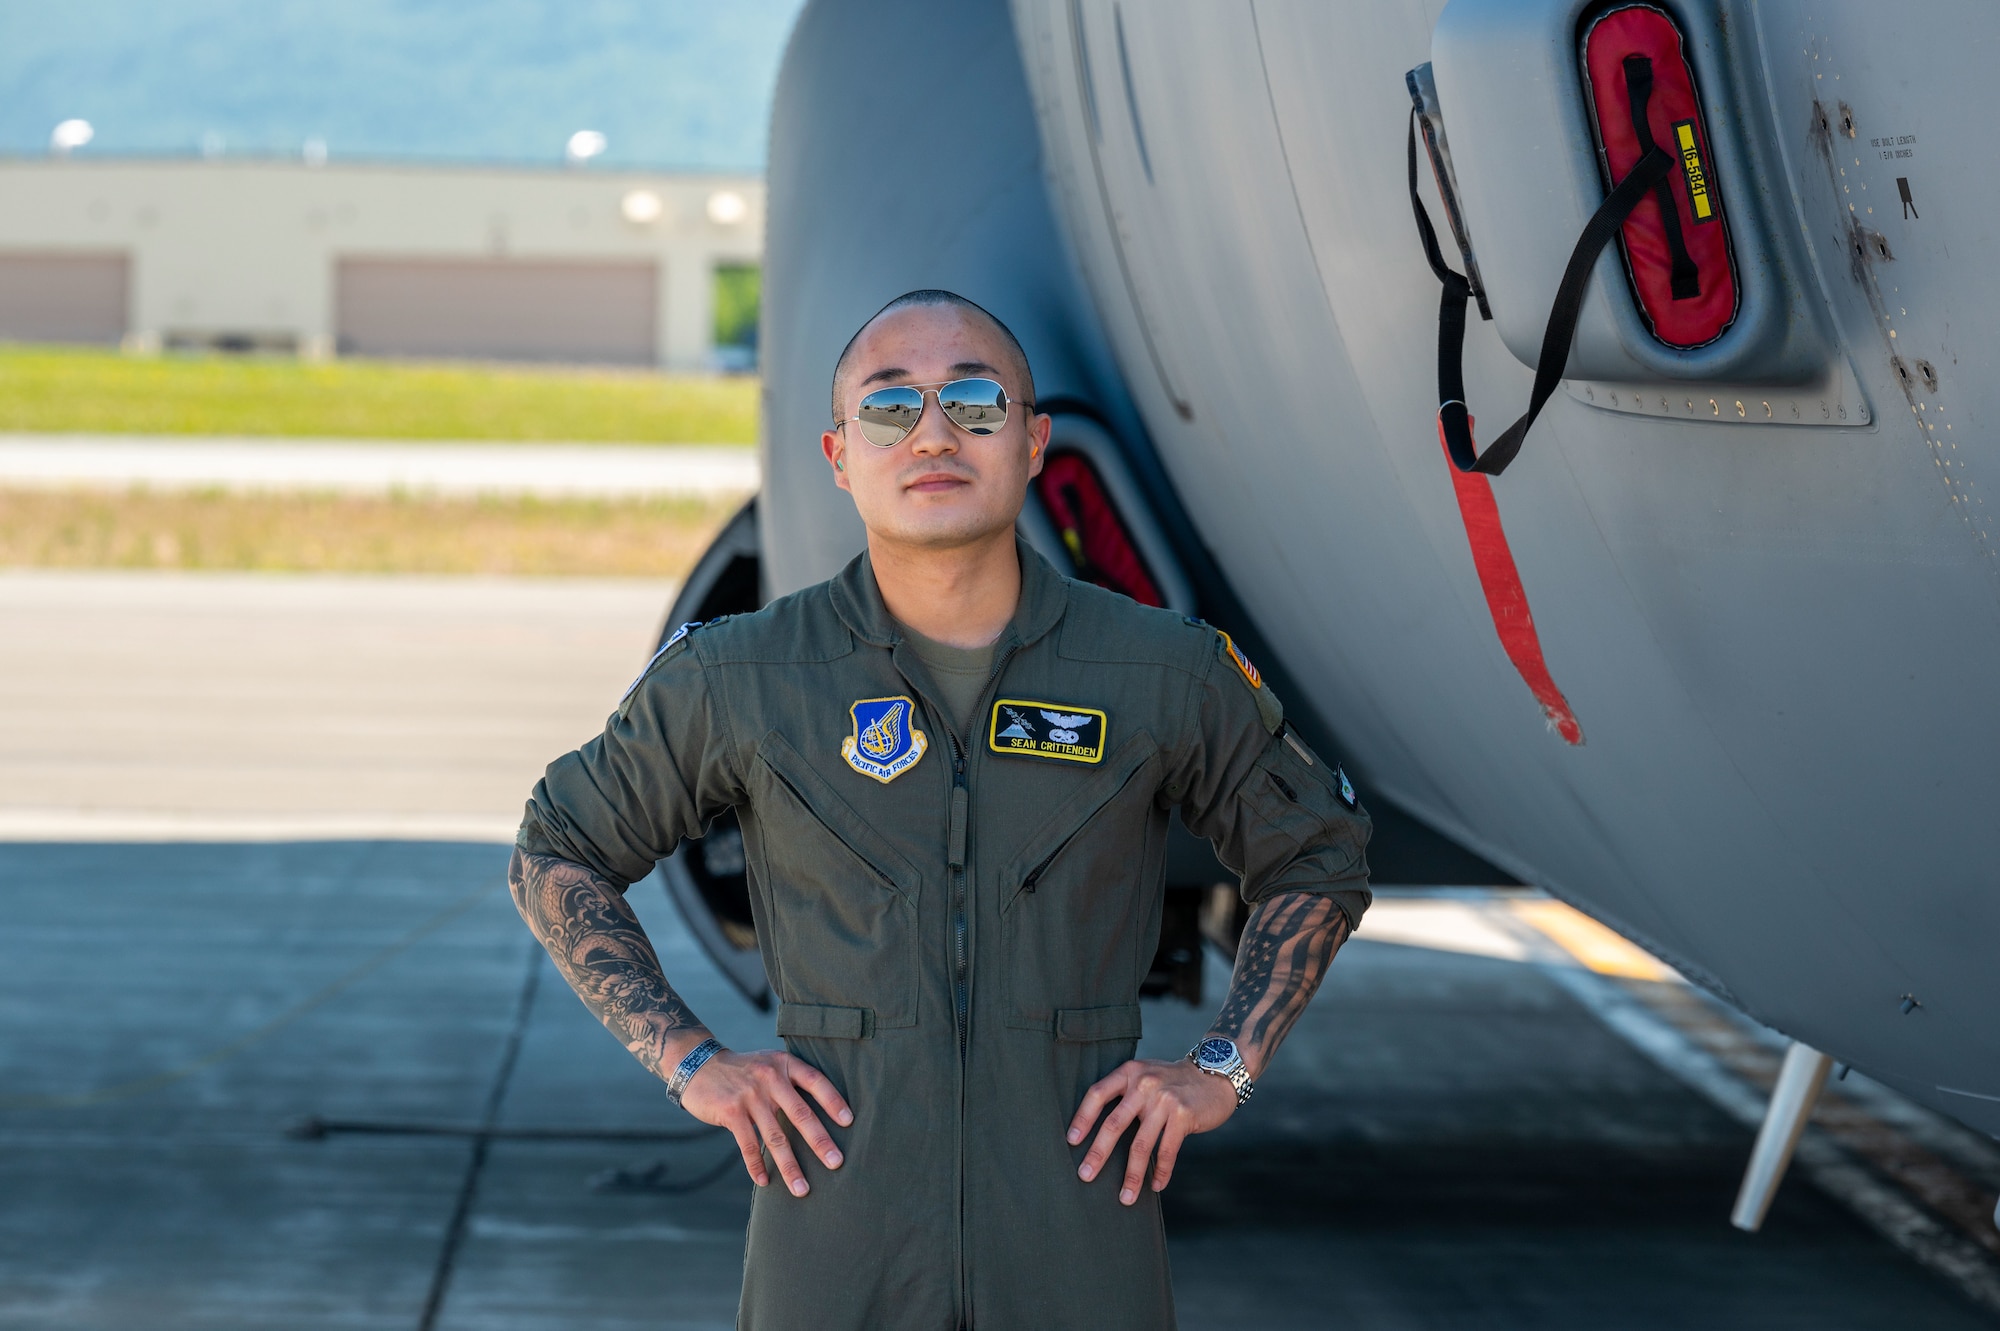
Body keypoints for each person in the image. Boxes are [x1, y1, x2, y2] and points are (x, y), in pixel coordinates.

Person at [511, 289, 1371, 1330]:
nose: (931, 434)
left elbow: (1316, 851)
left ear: (1031, 439)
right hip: (833, 1236)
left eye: (973, 401)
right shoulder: (745, 675)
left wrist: (1222, 1067)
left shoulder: (1156, 669)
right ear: (838, 454)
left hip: (1079, 1231)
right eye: (888, 409)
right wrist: (688, 1058)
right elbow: (557, 848)